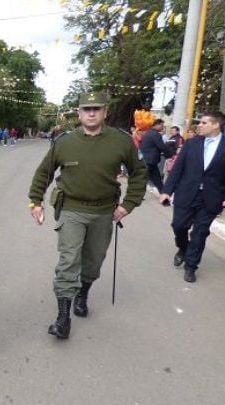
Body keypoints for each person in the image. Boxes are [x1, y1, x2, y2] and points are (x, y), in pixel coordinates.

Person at [28, 92, 146, 339]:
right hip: (71, 209)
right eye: (86, 109)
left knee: (92, 261)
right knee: (69, 259)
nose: (91, 113)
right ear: (79, 113)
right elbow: (43, 173)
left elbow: (138, 173)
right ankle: (63, 317)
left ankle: (83, 292)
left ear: (105, 112)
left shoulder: (121, 141)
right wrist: (35, 201)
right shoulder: (64, 142)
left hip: (104, 212)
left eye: (96, 109)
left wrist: (128, 204)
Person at [160, 112, 225, 283]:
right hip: (187, 193)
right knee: (178, 225)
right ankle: (183, 248)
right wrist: (167, 191)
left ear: (215, 125)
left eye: (204, 122)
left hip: (212, 197)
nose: (199, 125)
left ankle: (191, 266)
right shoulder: (191, 144)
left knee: (200, 233)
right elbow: (178, 169)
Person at [140, 118, 171, 194]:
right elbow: (161, 146)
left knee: (155, 178)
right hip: (150, 160)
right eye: (162, 126)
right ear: (157, 125)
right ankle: (138, 194)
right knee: (146, 178)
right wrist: (169, 155)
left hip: (147, 159)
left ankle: (163, 194)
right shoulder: (156, 134)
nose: (163, 128)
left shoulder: (147, 133)